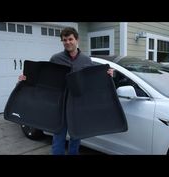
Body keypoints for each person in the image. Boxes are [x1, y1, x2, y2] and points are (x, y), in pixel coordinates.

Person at [19, 27, 113, 155]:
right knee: (58, 138)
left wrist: (107, 74)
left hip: (78, 106)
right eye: (64, 40)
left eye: (70, 39)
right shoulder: (55, 59)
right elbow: (45, 78)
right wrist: (26, 78)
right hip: (60, 106)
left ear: (76, 40)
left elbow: (92, 80)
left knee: (76, 137)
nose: (67, 42)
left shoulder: (86, 60)